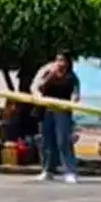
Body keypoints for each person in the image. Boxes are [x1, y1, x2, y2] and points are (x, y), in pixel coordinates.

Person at [32, 51, 81, 183]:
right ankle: (47, 170)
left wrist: (74, 100)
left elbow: (76, 94)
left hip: (62, 111)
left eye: (63, 60)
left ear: (68, 63)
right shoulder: (49, 73)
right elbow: (39, 88)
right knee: (46, 142)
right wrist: (50, 76)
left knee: (63, 141)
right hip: (47, 110)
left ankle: (70, 171)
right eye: (58, 60)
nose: (60, 63)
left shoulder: (71, 77)